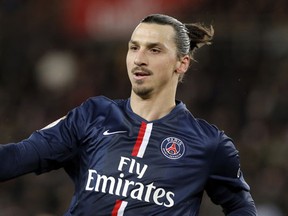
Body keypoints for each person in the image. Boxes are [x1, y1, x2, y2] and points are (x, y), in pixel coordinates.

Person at [0, 14, 257, 215]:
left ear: (182, 62)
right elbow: (20, 156)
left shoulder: (209, 143)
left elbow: (241, 206)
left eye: (154, 50)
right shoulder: (93, 116)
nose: (139, 59)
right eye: (134, 48)